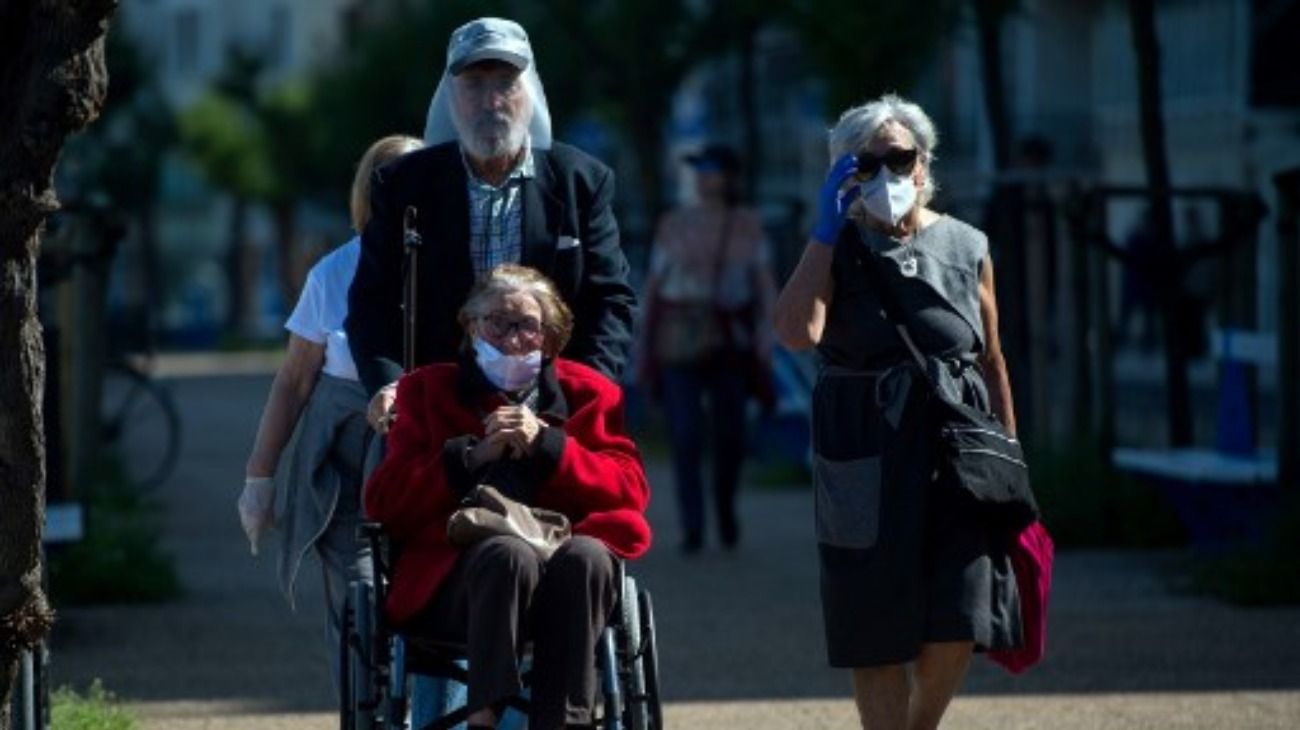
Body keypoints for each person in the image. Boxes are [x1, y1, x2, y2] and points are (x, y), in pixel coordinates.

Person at [772, 93, 1022, 730]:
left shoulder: (967, 244)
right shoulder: (834, 248)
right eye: (865, 162)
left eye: (899, 157)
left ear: (923, 164)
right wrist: (825, 231)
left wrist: (1011, 462)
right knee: (872, 618)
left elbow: (992, 358)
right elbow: (797, 332)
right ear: (842, 171)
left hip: (956, 443)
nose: (886, 173)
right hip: (862, 442)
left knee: (962, 611)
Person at [364, 264, 651, 730]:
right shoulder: (426, 391)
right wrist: (470, 458)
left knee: (589, 557)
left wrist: (550, 446)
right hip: (456, 582)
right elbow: (385, 502)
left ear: (551, 338)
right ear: (471, 327)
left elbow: (629, 490)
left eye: (527, 326)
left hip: (565, 567)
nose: (511, 338)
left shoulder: (591, 394)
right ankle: (483, 718)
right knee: (507, 554)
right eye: (497, 322)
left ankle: (564, 722)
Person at [346, 17, 636, 433]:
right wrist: (389, 385)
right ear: (450, 96)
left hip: (552, 411)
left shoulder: (581, 181)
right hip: (436, 408)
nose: (491, 100)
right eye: (474, 84)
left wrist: (584, 390)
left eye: (505, 82)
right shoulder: (404, 184)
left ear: (530, 92)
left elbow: (611, 300)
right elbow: (371, 301)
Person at [237, 134, 423, 685]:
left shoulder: (453, 266)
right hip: (346, 451)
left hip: (432, 445)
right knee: (356, 589)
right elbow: (294, 382)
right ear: (370, 193)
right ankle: (368, 693)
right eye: (390, 181)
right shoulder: (334, 273)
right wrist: (260, 475)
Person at [637, 143, 776, 553]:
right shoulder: (673, 223)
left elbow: (764, 282)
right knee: (684, 432)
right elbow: (655, 285)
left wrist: (767, 333)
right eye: (698, 168)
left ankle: (725, 508)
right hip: (680, 338)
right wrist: (645, 340)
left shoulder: (746, 223)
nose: (703, 176)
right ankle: (692, 525)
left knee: (730, 433)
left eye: (711, 168)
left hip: (730, 339)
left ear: (730, 175)